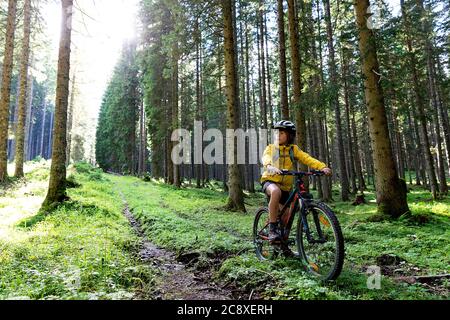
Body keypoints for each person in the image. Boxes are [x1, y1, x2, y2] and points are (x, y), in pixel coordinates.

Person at [261, 120, 332, 242]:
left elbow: (307, 158)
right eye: (276, 133)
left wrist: (322, 167)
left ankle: (281, 243)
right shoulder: (271, 148)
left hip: (285, 187)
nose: (278, 135)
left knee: (286, 215)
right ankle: (272, 229)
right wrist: (269, 166)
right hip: (270, 181)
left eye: (281, 133)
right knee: (275, 192)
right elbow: (265, 157)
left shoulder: (293, 150)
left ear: (290, 135)